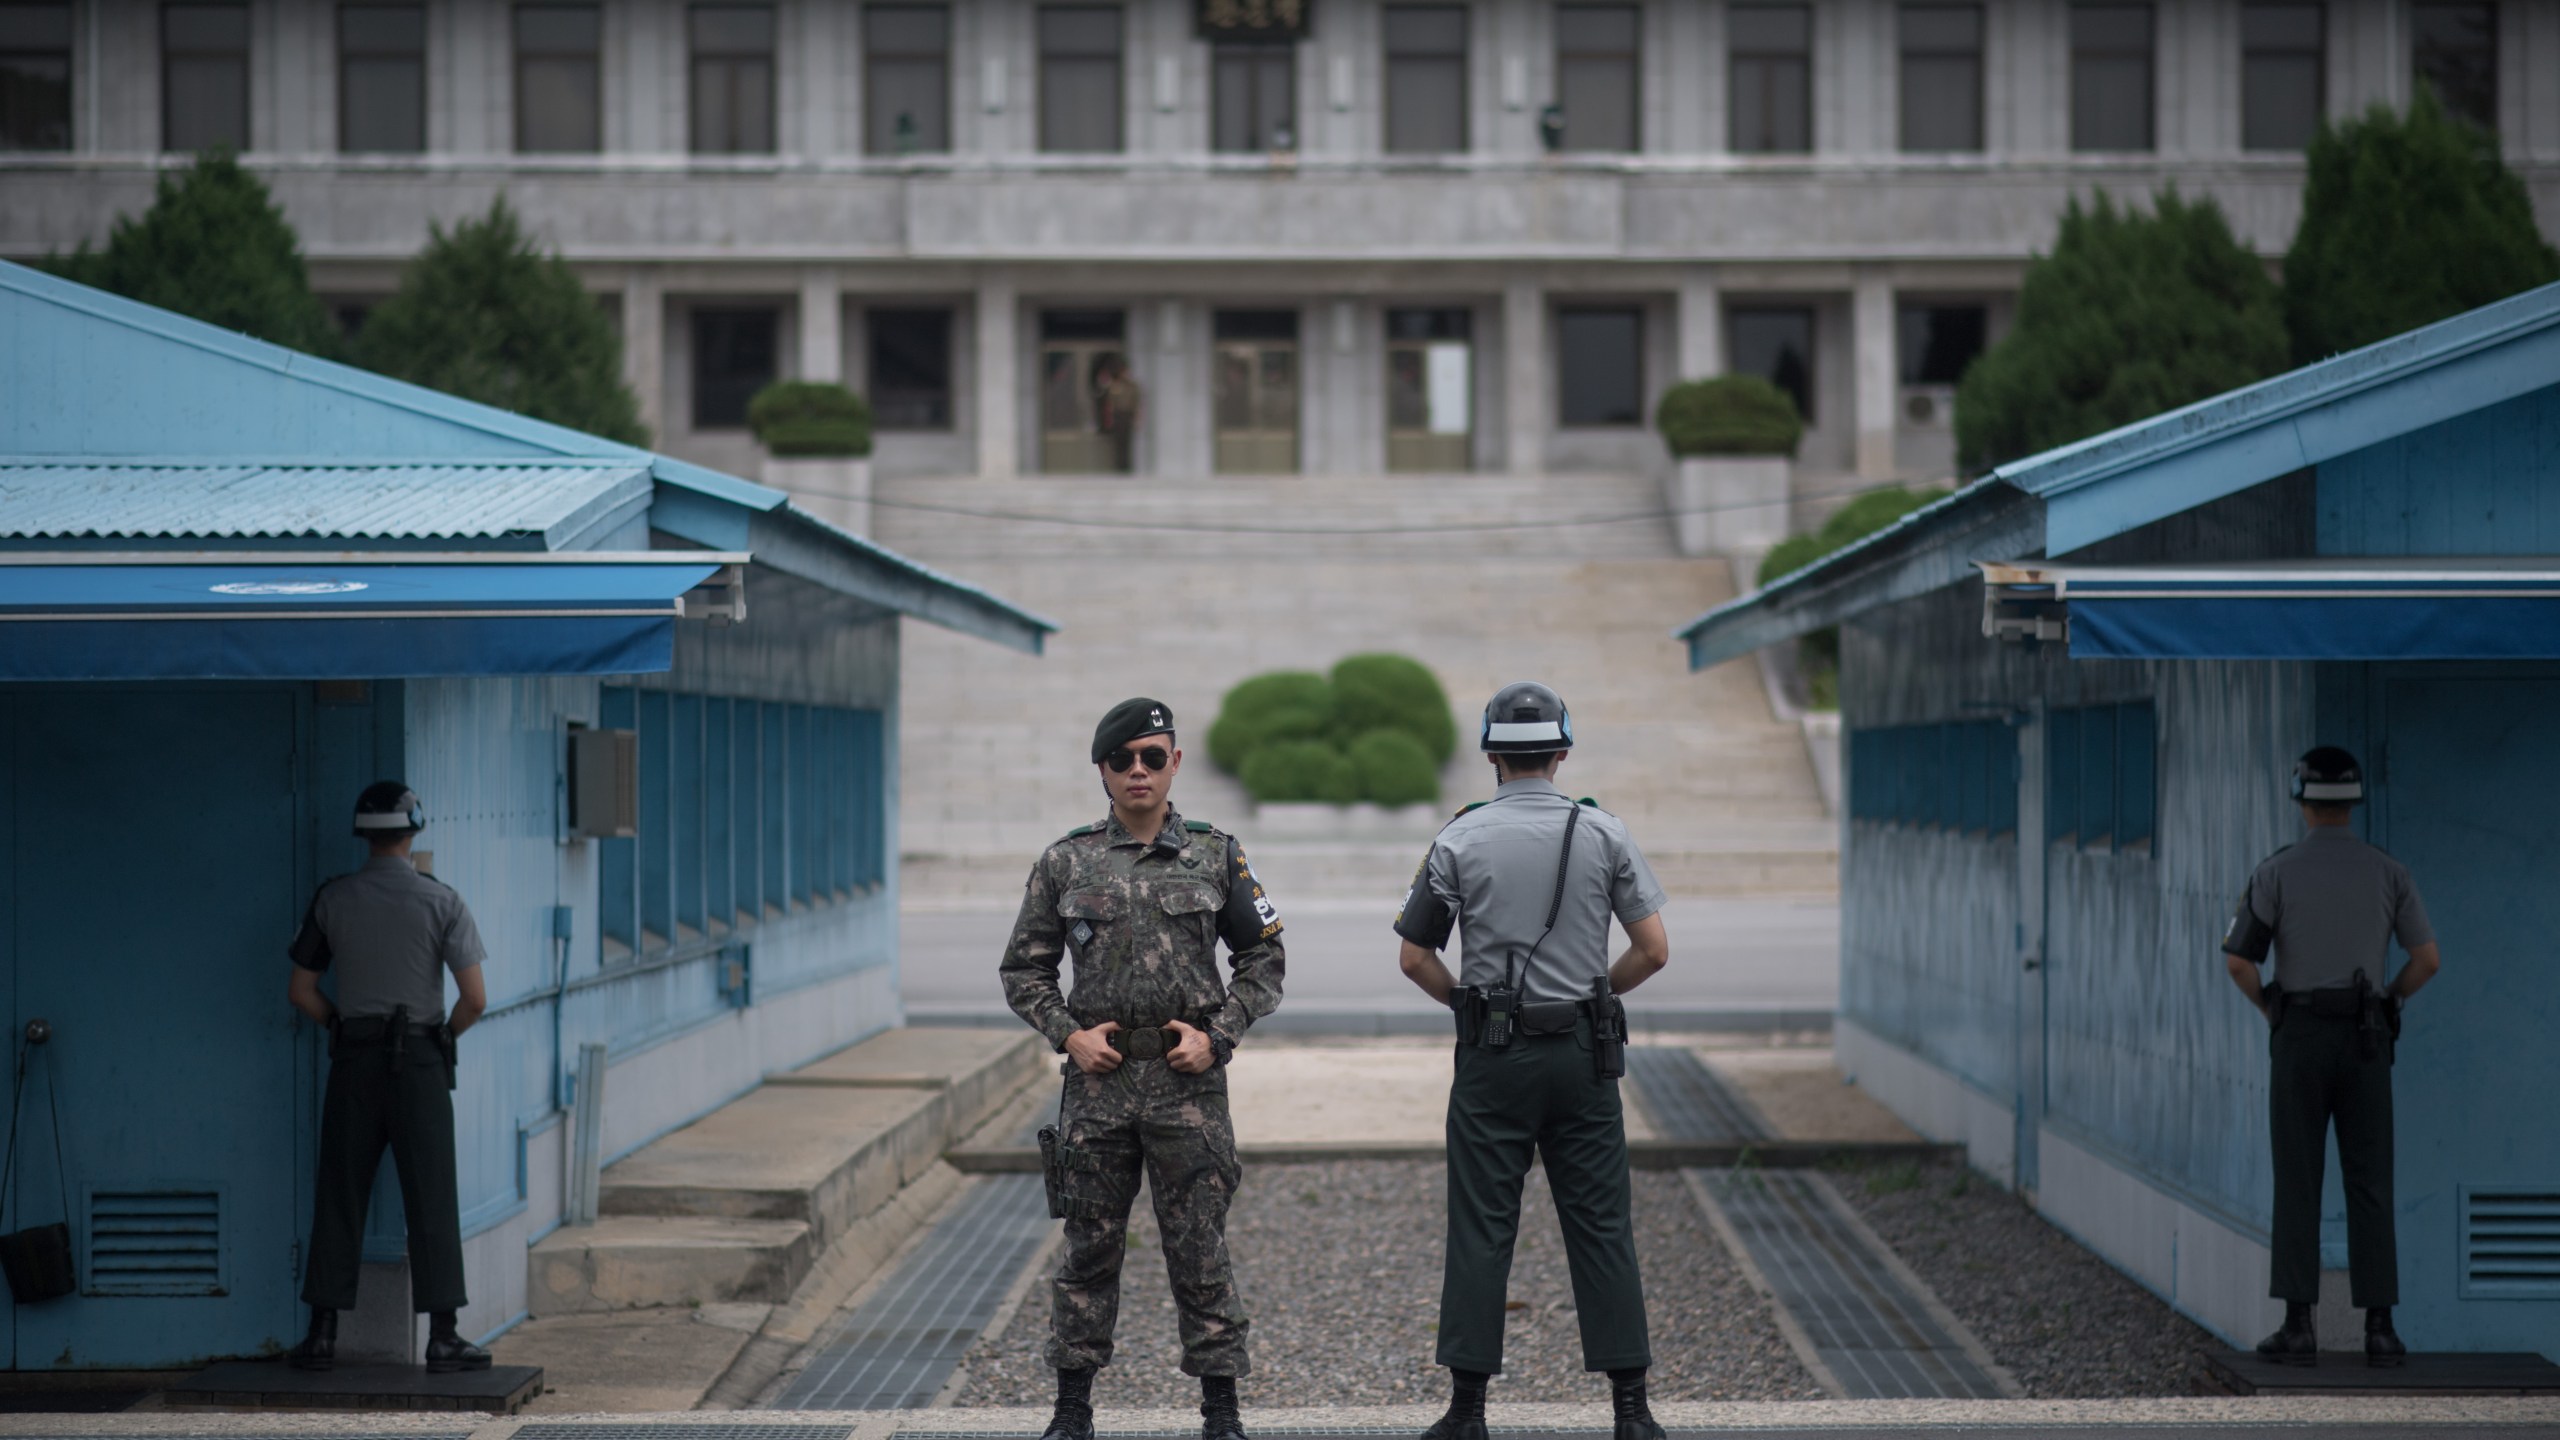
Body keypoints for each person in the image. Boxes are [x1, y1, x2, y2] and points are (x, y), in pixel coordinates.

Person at [1000, 698, 1286, 1440]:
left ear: (1175, 764)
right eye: (1122, 759)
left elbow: (1264, 959)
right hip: (1098, 1087)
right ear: (1101, 768)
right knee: (1088, 1250)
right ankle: (1071, 1410)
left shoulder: (1216, 854)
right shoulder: (1066, 860)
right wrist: (1068, 1036)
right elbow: (1023, 971)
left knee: (1200, 1249)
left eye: (1152, 757)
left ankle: (1221, 1412)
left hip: (1189, 1087)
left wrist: (1218, 1037)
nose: (1138, 771)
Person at [1393, 681, 1670, 1440]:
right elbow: (1653, 951)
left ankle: (1467, 1412)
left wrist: (1468, 1006)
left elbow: (1416, 957)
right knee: (1602, 1224)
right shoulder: (1604, 832)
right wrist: (1595, 997)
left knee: (1483, 1224)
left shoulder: (1459, 839)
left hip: (1495, 1055)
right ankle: (1631, 1411)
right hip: (1584, 1055)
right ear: (1563, 751)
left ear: (1490, 754)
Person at [2221, 746, 2442, 1368]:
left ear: (2301, 798)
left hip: (2299, 1037)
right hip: (2367, 1035)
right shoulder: (2388, 872)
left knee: (2299, 1177)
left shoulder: (2276, 873)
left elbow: (2240, 959)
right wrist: (2389, 999)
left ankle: (2299, 1326)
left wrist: (2271, 1007)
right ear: (2355, 801)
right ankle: (2380, 1328)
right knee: (2369, 1179)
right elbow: (2427, 960)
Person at [285, 782, 492, 1373]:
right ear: (413, 830)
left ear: (364, 835)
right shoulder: (441, 901)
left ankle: (322, 1332)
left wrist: (342, 1027)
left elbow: (302, 991)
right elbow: (474, 999)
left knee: (340, 1189)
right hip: (420, 1060)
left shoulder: (333, 899)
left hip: (354, 1059)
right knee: (431, 1193)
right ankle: (443, 1335)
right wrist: (442, 1036)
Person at [1096, 355, 1143, 473]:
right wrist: (1109, 419)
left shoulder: (1132, 386)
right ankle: (1119, 467)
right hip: (1118, 415)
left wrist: (1137, 418)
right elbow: (1108, 402)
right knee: (1118, 443)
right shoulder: (1113, 385)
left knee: (1126, 443)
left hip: (1127, 415)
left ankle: (1126, 467)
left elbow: (1137, 403)